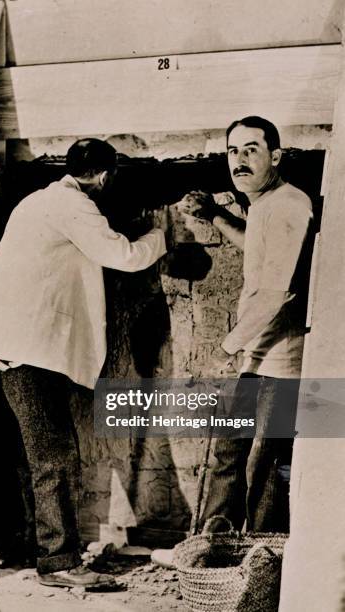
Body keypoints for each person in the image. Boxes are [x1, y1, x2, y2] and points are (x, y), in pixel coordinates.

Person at [0, 138, 167, 588]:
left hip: (18, 346)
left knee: (37, 457)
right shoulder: (73, 206)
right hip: (24, 350)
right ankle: (58, 564)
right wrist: (159, 235)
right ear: (104, 176)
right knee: (55, 457)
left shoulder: (39, 202)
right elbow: (123, 256)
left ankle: (39, 551)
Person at [152, 115, 314, 567]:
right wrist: (216, 215)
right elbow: (256, 248)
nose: (239, 161)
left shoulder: (289, 204)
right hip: (255, 358)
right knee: (226, 453)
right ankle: (208, 551)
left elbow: (278, 288)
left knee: (264, 468)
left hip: (282, 363)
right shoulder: (265, 204)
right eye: (233, 151)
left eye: (251, 150)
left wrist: (228, 346)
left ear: (275, 156)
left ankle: (261, 563)